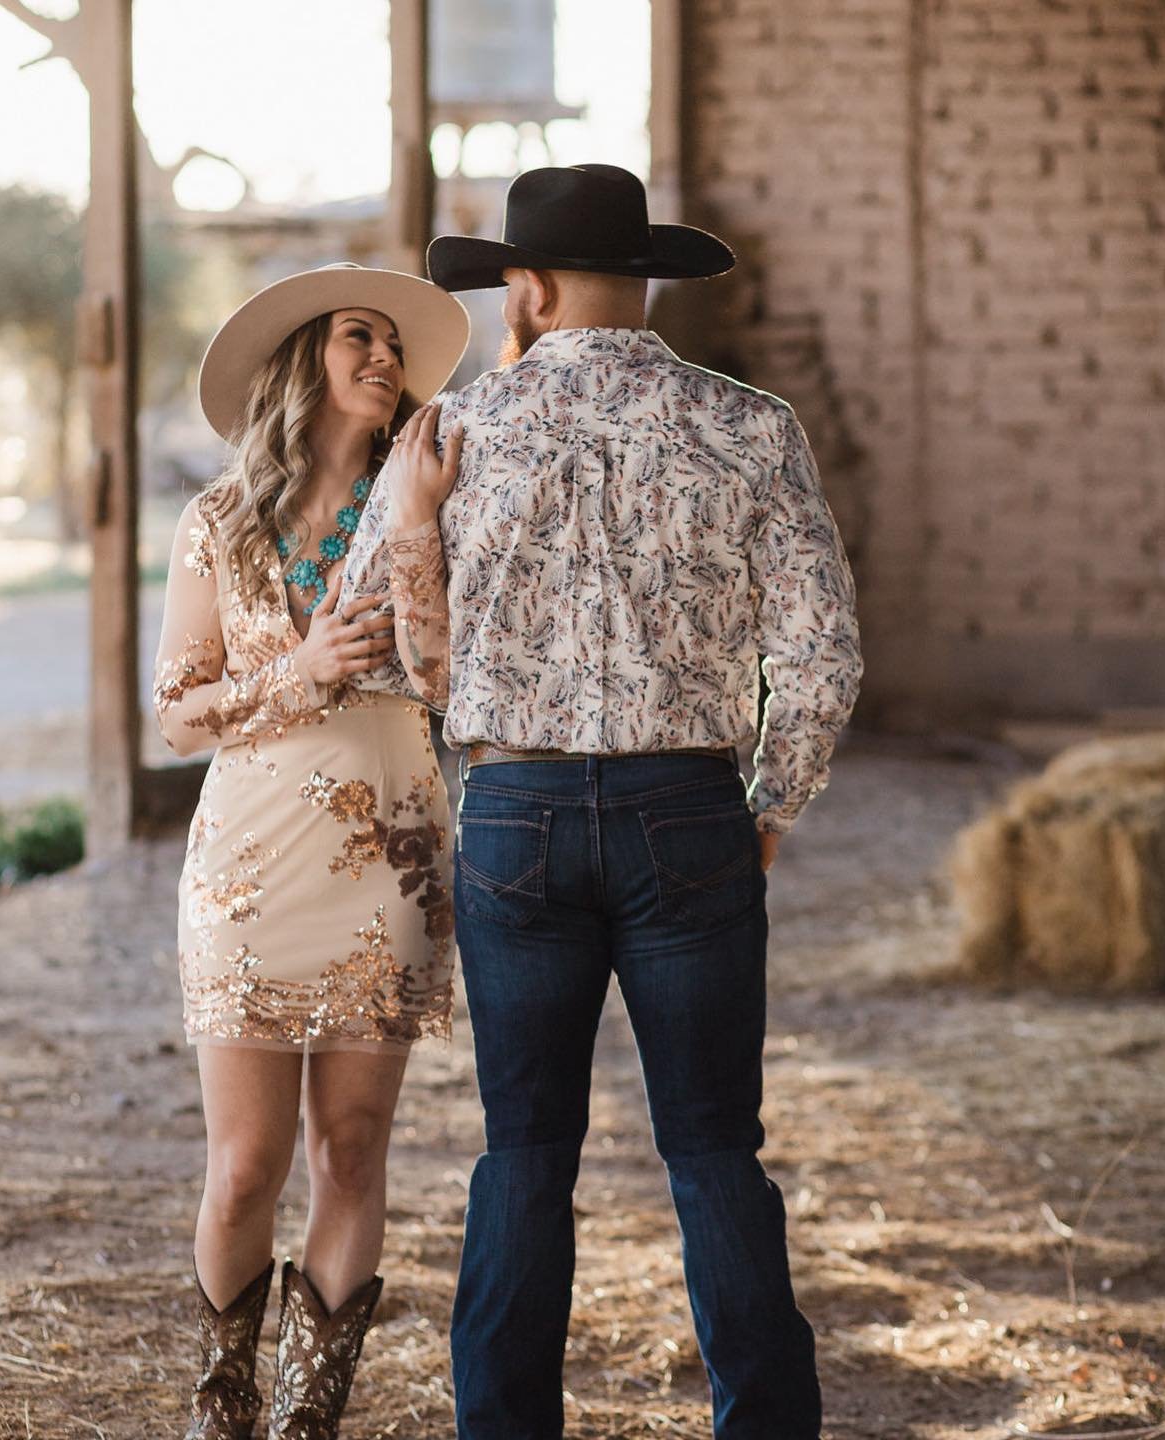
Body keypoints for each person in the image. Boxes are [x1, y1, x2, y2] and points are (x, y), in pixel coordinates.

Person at [343, 164, 864, 1440]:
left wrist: (418, 527)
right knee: (712, 1150)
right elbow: (824, 656)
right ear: (645, 285)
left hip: (513, 814)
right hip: (689, 810)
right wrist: (766, 806)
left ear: (525, 286)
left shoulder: (454, 437)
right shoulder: (752, 427)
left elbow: (368, 638)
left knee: (524, 1150)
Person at [153, 262, 469, 1440]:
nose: (388, 359)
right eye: (360, 338)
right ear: (304, 364)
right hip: (248, 867)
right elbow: (178, 713)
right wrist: (302, 669)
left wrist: (425, 524)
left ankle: (306, 1421)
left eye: (395, 345)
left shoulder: (426, 499)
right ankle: (221, 1407)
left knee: (352, 1147)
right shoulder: (217, 526)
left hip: (386, 860)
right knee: (244, 1166)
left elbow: (445, 677)